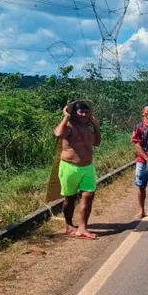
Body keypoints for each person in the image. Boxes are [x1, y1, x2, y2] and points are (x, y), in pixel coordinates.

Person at [53, 100, 101, 239]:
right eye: (81, 112)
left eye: (86, 112)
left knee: (89, 195)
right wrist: (66, 116)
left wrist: (96, 125)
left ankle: (82, 228)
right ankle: (68, 225)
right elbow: (57, 134)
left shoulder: (88, 127)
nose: (84, 115)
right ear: (75, 112)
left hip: (87, 167)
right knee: (69, 198)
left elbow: (97, 143)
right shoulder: (69, 126)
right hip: (69, 167)